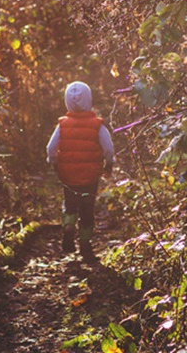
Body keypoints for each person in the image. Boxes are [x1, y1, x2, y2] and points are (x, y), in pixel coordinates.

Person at [46, 81, 115, 262]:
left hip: (67, 174)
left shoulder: (63, 124)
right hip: (90, 175)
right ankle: (85, 243)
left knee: (70, 204)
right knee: (87, 208)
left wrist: (54, 162)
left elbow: (50, 148)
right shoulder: (97, 124)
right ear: (89, 100)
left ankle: (69, 226)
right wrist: (109, 163)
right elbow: (108, 148)